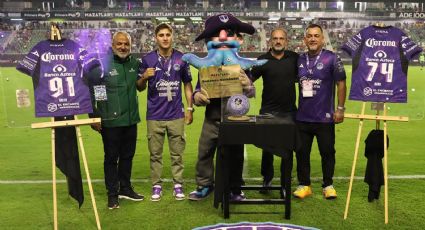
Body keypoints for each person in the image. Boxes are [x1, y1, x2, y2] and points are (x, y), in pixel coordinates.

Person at [188, 13, 255, 201]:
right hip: (212, 118)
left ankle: (234, 187)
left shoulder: (243, 65)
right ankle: (204, 185)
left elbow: (251, 92)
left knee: (236, 154)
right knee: (205, 152)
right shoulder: (205, 67)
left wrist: (247, 85)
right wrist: (198, 97)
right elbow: (197, 92)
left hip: (235, 119)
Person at [137, 23, 193, 201]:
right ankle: (157, 185)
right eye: (161, 35)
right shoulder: (147, 60)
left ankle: (178, 184)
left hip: (176, 114)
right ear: (155, 38)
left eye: (168, 34)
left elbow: (187, 84)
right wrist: (144, 77)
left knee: (177, 153)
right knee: (155, 154)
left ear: (172, 36)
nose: (165, 38)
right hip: (154, 115)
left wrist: (190, 108)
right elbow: (139, 87)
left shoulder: (181, 58)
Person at [89, 31, 144, 209]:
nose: (123, 47)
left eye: (126, 44)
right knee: (111, 158)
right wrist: (95, 115)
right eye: (119, 44)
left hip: (130, 120)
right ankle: (112, 194)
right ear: (113, 45)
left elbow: (140, 86)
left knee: (128, 156)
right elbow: (95, 90)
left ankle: (125, 188)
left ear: (130, 46)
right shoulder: (103, 64)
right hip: (110, 122)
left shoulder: (134, 63)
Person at [294, 24, 346, 200]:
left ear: (322, 39)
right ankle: (304, 185)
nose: (313, 39)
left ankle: (328, 185)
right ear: (305, 39)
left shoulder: (332, 58)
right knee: (301, 153)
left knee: (327, 152)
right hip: (302, 117)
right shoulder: (299, 60)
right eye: (309, 36)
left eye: (316, 36)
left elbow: (341, 83)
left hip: (325, 117)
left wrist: (340, 108)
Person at [251, 28, 299, 193]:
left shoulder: (294, 58)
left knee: (288, 149)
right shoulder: (262, 60)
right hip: (268, 111)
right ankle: (267, 179)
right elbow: (249, 78)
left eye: (281, 38)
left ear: (286, 41)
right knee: (267, 148)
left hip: (289, 111)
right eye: (275, 39)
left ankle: (286, 183)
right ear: (270, 41)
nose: (278, 41)